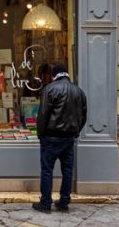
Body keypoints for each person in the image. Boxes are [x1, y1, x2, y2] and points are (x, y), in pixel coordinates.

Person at [33, 63, 87, 214]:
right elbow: (83, 116)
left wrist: (41, 135)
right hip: (69, 138)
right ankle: (64, 202)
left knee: (47, 170)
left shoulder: (49, 89)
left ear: (54, 75)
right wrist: (75, 132)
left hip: (51, 136)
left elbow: (43, 115)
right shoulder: (79, 91)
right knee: (67, 171)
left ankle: (45, 203)